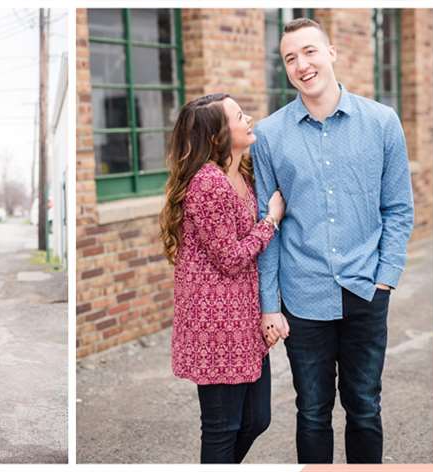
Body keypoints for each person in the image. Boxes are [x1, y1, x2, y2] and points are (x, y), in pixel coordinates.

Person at [251, 18, 414, 464]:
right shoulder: (268, 136)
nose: (302, 64)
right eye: (290, 58)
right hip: (303, 297)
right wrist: (269, 304)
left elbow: (398, 208)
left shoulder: (381, 123)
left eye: (309, 51)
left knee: (364, 408)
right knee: (312, 412)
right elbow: (271, 226)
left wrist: (386, 277)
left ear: (332, 52)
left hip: (366, 289)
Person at [160, 93, 286, 463]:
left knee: (257, 419)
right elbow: (230, 258)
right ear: (217, 135)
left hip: (243, 322)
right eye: (239, 116)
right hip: (214, 327)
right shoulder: (208, 184)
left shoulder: (241, 175)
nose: (249, 120)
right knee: (222, 427)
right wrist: (271, 221)